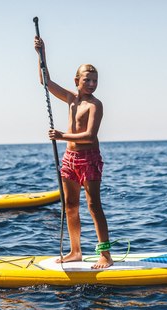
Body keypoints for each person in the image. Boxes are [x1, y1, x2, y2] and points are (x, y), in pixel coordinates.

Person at [34, 36, 113, 269]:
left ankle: (105, 255)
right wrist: (42, 53)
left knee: (93, 205)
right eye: (87, 80)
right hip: (69, 159)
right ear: (77, 80)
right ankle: (75, 251)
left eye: (95, 80)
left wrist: (62, 136)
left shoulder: (95, 105)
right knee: (70, 206)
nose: (91, 84)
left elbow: (90, 136)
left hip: (89, 159)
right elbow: (45, 82)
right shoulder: (70, 99)